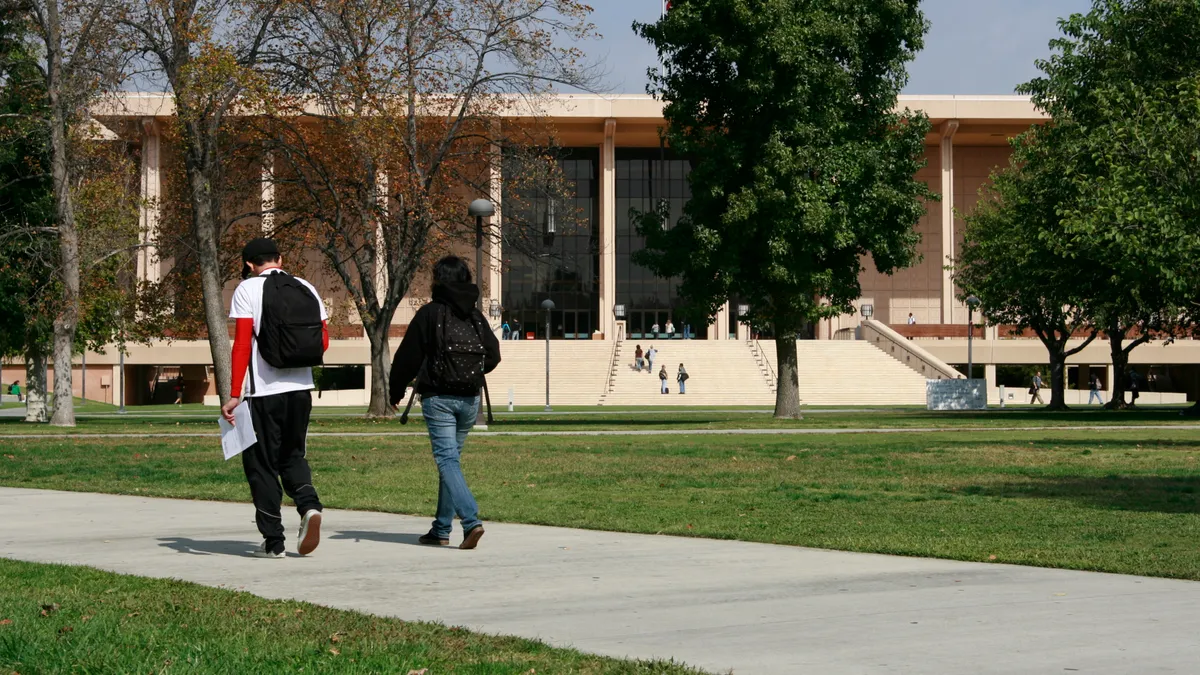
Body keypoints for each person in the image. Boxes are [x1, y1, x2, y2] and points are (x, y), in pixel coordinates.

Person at [222, 237, 328, 559]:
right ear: (280, 259)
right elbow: (322, 340)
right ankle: (309, 507)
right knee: (293, 456)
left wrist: (233, 394)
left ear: (249, 264)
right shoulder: (305, 287)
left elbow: (241, 344)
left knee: (261, 465)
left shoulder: (247, 289)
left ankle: (274, 542)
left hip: (262, 394)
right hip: (300, 390)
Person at [389, 256, 501, 550]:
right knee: (450, 463)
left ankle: (470, 521)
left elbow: (407, 356)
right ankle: (440, 528)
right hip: (469, 400)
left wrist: (396, 390)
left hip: (438, 397)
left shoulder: (430, 313)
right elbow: (494, 355)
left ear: (437, 279)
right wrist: (473, 374)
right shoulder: (475, 316)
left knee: (447, 460)